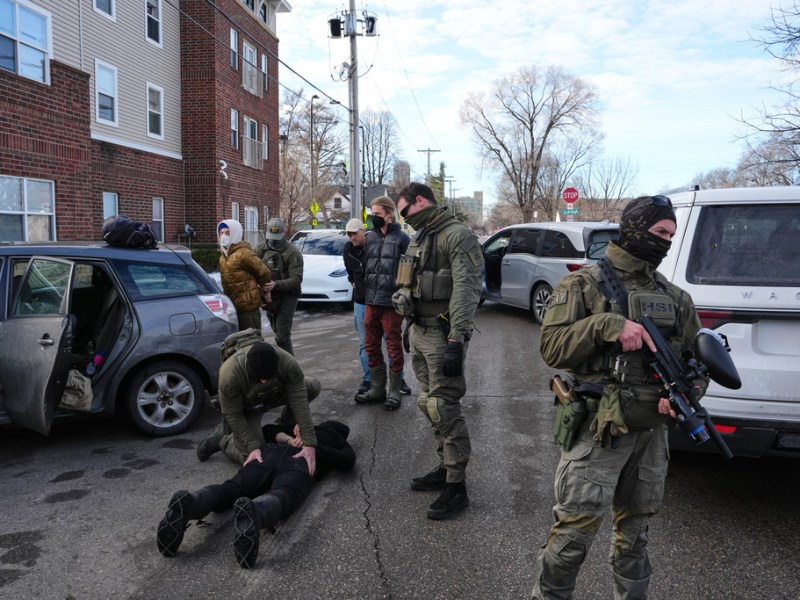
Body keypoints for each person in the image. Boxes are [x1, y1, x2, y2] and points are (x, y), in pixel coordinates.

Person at [530, 195, 707, 600]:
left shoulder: (676, 297)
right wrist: (606, 325)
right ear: (634, 229)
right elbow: (551, 348)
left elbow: (696, 364)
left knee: (636, 539)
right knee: (573, 536)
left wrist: (684, 396)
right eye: (659, 232)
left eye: (670, 235)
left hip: (651, 435)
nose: (665, 242)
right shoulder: (584, 284)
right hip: (598, 431)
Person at [393, 182, 483, 520]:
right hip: (419, 332)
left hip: (444, 336)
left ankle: (457, 486)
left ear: (421, 201)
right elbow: (412, 285)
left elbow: (466, 291)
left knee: (445, 406)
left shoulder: (456, 236)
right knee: (428, 403)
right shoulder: (422, 236)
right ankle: (445, 468)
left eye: (406, 212)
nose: (405, 219)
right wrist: (407, 326)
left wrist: (456, 341)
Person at [157, 419, 355, 568]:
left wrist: (291, 439)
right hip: (300, 463)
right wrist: (314, 448)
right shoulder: (337, 439)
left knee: (231, 488)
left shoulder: (298, 427)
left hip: (270, 454)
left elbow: (268, 429)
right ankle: (256, 512)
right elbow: (347, 461)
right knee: (284, 494)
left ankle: (193, 502)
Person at [196, 341, 320, 469]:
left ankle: (283, 426)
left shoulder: (287, 361)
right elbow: (233, 414)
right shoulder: (230, 375)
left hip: (274, 394)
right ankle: (223, 440)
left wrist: (309, 441)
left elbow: (298, 398)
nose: (264, 381)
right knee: (256, 458)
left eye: (268, 376)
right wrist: (252, 447)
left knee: (312, 386)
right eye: (259, 378)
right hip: (247, 408)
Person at [343, 218, 411, 396]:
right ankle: (370, 381)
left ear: (362, 232)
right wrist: (353, 281)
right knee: (367, 344)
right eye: (349, 234)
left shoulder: (375, 243)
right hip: (362, 300)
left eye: (354, 233)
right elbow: (350, 271)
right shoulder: (348, 250)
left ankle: (398, 381)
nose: (352, 237)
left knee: (390, 341)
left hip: (383, 300)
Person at [255, 218, 304, 355]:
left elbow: (296, 279)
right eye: (271, 237)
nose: (273, 241)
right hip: (269, 296)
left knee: (282, 337)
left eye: (277, 238)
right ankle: (283, 366)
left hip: (288, 296)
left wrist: (276, 285)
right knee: (277, 331)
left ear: (285, 233)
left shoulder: (293, 253)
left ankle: (291, 372)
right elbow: (253, 268)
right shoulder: (261, 248)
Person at [217, 219, 272, 332]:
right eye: (221, 233)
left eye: (227, 233)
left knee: (252, 343)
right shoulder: (223, 256)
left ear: (236, 233)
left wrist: (265, 290)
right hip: (233, 308)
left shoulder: (244, 253)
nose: (223, 236)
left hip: (248, 309)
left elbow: (263, 272)